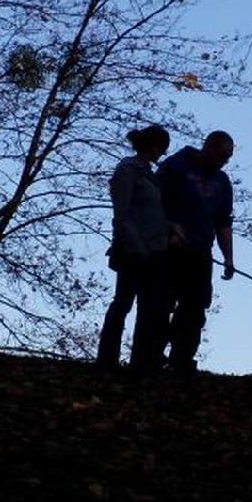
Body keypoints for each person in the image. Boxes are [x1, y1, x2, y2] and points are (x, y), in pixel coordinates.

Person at [157, 130, 235, 376]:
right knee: (161, 303)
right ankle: (152, 353)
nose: (224, 161)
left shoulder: (223, 183)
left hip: (200, 253)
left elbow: (223, 222)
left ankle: (181, 359)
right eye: (222, 155)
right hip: (168, 249)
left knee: (195, 308)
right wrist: (168, 228)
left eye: (229, 157)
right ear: (209, 147)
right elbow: (153, 201)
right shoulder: (177, 165)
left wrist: (229, 258)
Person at [96, 125, 171, 374]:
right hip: (132, 251)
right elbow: (122, 214)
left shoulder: (150, 175)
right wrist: (137, 247)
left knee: (149, 309)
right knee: (123, 303)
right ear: (153, 146)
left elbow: (154, 212)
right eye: (162, 148)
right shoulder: (128, 170)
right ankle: (107, 360)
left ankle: (141, 361)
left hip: (155, 251)